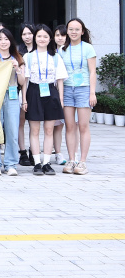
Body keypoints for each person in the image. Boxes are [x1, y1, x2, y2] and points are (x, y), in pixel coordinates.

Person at [22, 24, 67, 176]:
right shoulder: (28, 56)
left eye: (45, 36)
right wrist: (24, 100)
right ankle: (37, 162)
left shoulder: (55, 57)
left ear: (50, 39)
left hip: (51, 92)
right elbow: (24, 81)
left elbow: (60, 80)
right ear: (35, 38)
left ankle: (47, 162)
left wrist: (60, 99)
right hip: (33, 92)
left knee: (49, 129)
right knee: (34, 130)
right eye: (39, 36)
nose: (42, 39)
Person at [60, 18, 96, 175]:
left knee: (83, 126)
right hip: (67, 89)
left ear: (82, 31)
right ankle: (71, 159)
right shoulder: (62, 49)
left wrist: (92, 92)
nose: (73, 32)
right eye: (71, 29)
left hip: (83, 89)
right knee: (69, 126)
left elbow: (93, 72)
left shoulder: (88, 48)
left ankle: (82, 161)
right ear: (67, 31)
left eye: (77, 29)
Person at [0, 28, 27, 176]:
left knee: (12, 131)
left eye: (6, 39)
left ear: (10, 41)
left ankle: (11, 164)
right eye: (0, 39)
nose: (3, 42)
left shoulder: (18, 59)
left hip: (12, 96)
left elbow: (22, 82)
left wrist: (17, 69)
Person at [17, 23, 37, 167]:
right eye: (24, 34)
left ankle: (33, 151)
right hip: (20, 89)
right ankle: (22, 152)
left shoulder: (41, 50)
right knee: (21, 122)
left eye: (29, 33)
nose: (27, 37)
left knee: (34, 123)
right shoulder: (18, 51)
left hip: (36, 90)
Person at [50, 25, 68, 166]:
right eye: (57, 35)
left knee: (66, 124)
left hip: (69, 90)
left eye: (63, 35)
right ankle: (57, 152)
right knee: (55, 125)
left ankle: (67, 153)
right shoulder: (51, 53)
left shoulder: (70, 51)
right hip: (54, 92)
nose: (60, 38)